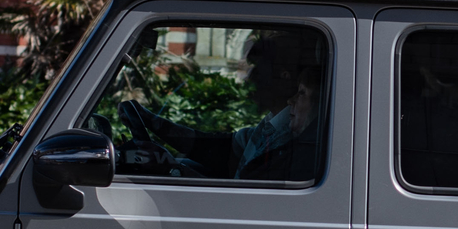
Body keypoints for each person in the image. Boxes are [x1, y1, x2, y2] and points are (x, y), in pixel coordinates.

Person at [120, 30, 326, 182]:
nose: (247, 78)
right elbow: (222, 149)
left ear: (282, 76)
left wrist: (171, 168)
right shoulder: (272, 126)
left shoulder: (290, 140)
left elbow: (246, 196)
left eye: (256, 69)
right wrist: (153, 122)